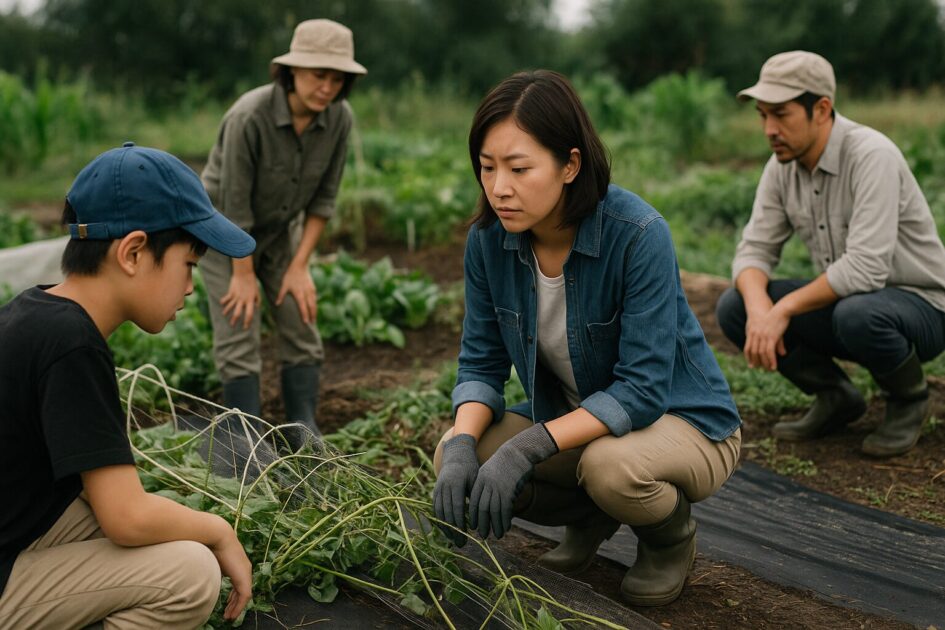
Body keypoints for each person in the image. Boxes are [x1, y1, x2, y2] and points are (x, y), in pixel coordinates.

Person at [431, 70, 741, 607]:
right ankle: (592, 518)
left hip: (684, 420)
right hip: (576, 415)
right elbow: (480, 365)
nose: (499, 186)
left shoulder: (637, 234)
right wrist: (461, 446)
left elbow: (642, 391)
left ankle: (670, 540)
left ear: (570, 165)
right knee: (457, 451)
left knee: (609, 466)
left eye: (519, 168)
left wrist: (526, 446)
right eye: (486, 167)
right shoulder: (488, 241)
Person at [0, 143, 256, 627]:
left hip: (15, 527)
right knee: (190, 571)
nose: (189, 287)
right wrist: (218, 530)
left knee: (138, 525)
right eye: (190, 266)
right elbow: (127, 517)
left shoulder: (36, 314)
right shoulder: (72, 346)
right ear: (134, 252)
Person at [716, 51, 945, 457]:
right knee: (735, 305)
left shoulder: (871, 155)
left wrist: (782, 310)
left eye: (781, 115)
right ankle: (837, 397)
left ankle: (909, 400)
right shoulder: (781, 166)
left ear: (821, 108)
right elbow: (754, 250)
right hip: (854, 304)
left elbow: (866, 269)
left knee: (857, 313)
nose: (769, 129)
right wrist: (758, 311)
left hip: (922, 307)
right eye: (763, 115)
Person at [200, 19, 367, 446]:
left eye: (336, 79)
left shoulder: (339, 120)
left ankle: (302, 426)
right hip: (222, 234)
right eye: (317, 75)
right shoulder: (248, 117)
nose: (326, 87)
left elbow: (323, 201)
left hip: (279, 234)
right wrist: (243, 274)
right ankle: (245, 437)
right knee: (239, 323)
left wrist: (298, 266)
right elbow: (234, 206)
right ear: (291, 72)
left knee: (300, 316)